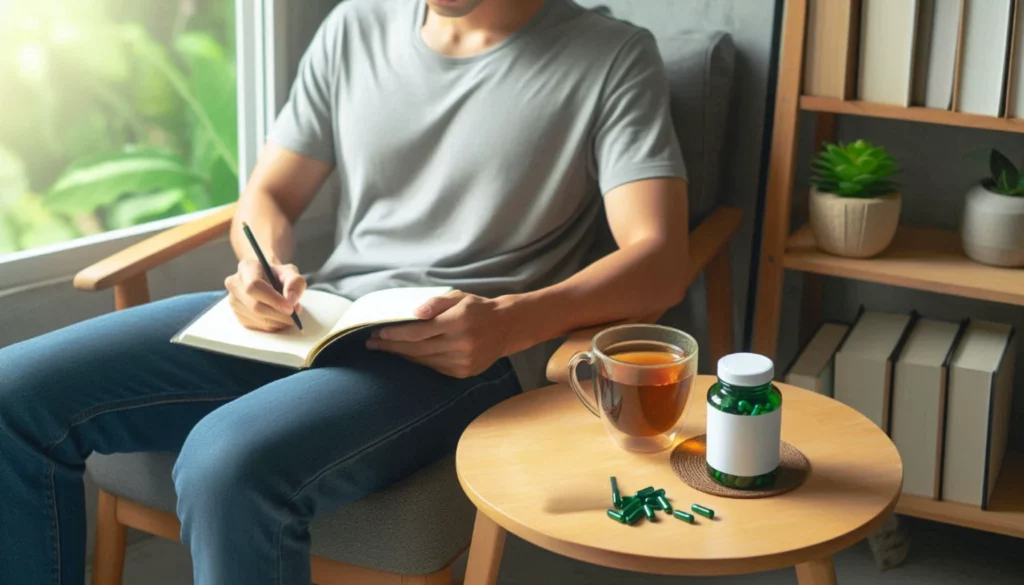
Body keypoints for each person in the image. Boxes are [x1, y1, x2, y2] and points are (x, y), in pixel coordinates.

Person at [0, 0, 689, 583]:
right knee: (15, 392)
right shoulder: (356, 25)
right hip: (319, 315)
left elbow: (659, 259)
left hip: (461, 352)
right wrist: (263, 264)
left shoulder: (611, 56)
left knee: (226, 462)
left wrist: (511, 322)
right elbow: (269, 195)